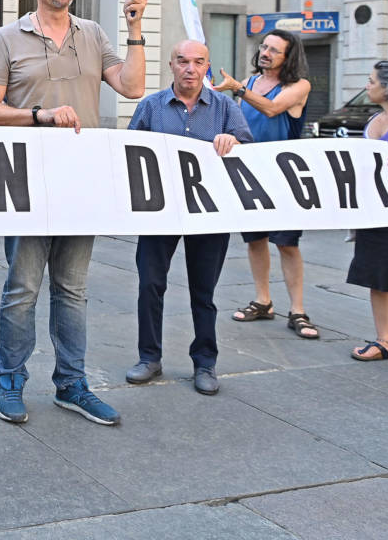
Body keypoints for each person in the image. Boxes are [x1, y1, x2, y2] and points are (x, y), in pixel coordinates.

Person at [0, 0, 146, 426]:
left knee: (72, 289)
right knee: (23, 288)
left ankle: (72, 384)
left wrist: (134, 28)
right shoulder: (8, 37)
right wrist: (39, 116)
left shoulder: (92, 33)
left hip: (81, 182)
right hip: (27, 181)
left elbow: (132, 88)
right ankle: (8, 380)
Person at [125, 40, 252, 395]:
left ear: (207, 67)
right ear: (171, 65)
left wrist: (233, 143)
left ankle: (205, 362)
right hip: (160, 212)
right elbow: (128, 154)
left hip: (209, 215)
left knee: (204, 290)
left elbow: (250, 156)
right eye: (183, 61)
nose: (190, 68)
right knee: (150, 284)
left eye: (198, 62)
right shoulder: (150, 106)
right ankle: (149, 357)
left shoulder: (225, 108)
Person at [213, 29, 318, 339]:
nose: (265, 52)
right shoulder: (250, 82)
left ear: (288, 57)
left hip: (284, 176)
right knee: (255, 239)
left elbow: (272, 109)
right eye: (264, 46)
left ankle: (298, 310)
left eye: (274, 49)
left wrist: (238, 89)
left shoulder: (298, 85)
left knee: (287, 243)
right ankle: (263, 301)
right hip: (250, 173)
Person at [345, 59, 388, 361]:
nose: (366, 85)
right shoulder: (374, 120)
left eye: (371, 81)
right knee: (379, 277)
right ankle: (385, 342)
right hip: (376, 212)